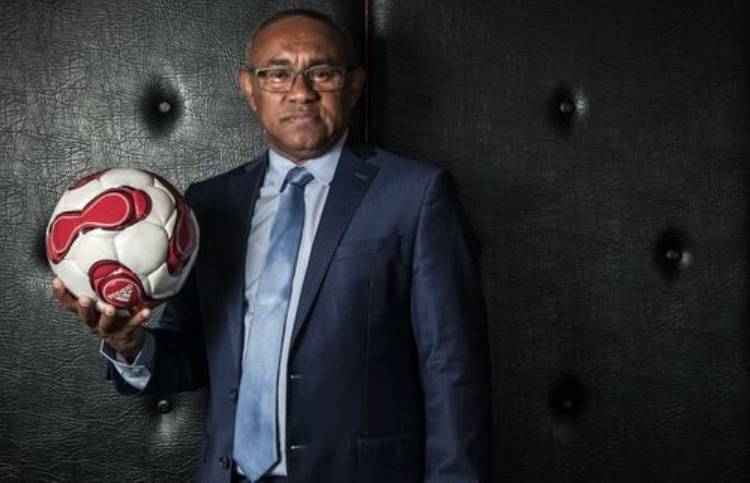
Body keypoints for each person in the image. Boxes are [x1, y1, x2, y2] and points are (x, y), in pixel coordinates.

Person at [53, 8, 491, 483]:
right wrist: (129, 345)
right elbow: (194, 352)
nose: (300, 92)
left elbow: (451, 368)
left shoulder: (416, 195)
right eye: (278, 74)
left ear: (354, 86)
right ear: (249, 88)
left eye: (322, 72)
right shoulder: (208, 204)